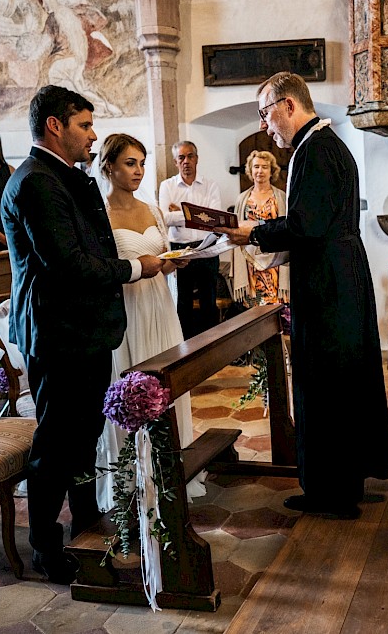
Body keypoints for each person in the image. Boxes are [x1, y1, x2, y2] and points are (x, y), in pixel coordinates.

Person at [1, 85, 162, 584]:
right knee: (56, 440)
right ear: (55, 125)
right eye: (85, 125)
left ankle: (87, 520)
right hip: (58, 331)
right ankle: (46, 545)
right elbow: (69, 265)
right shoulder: (35, 183)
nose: (93, 136)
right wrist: (135, 268)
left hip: (83, 329)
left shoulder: (64, 177)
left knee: (84, 433)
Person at [217, 71, 388, 519]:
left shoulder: (314, 150)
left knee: (325, 384)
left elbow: (304, 227)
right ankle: (340, 484)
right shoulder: (326, 144)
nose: (265, 126)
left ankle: (329, 494)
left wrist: (252, 231)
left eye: (266, 113)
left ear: (289, 105)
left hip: (328, 287)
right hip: (340, 277)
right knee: (340, 384)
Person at [93, 133, 206, 508]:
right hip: (128, 313)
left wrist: (174, 262)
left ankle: (171, 470)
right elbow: (107, 271)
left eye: (142, 163)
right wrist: (147, 267)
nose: (139, 171)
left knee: (169, 388)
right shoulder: (101, 215)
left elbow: (161, 259)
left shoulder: (151, 210)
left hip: (160, 309)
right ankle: (133, 479)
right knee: (134, 388)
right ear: (108, 166)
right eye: (130, 163)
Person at [158, 140, 223, 338]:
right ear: (175, 161)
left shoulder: (210, 185)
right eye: (181, 157)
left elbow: (214, 219)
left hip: (207, 247)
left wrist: (180, 213)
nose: (186, 161)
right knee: (182, 301)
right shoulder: (167, 186)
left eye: (190, 156)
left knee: (208, 300)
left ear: (197, 159)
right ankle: (184, 347)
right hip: (179, 249)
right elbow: (164, 218)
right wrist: (197, 215)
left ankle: (211, 345)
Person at [231, 150, 289, 307]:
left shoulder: (281, 197)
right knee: (253, 308)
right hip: (250, 260)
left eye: (265, 167)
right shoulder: (242, 198)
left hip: (275, 258)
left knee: (276, 307)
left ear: (272, 171)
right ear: (250, 170)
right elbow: (236, 230)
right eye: (256, 166)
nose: (260, 171)